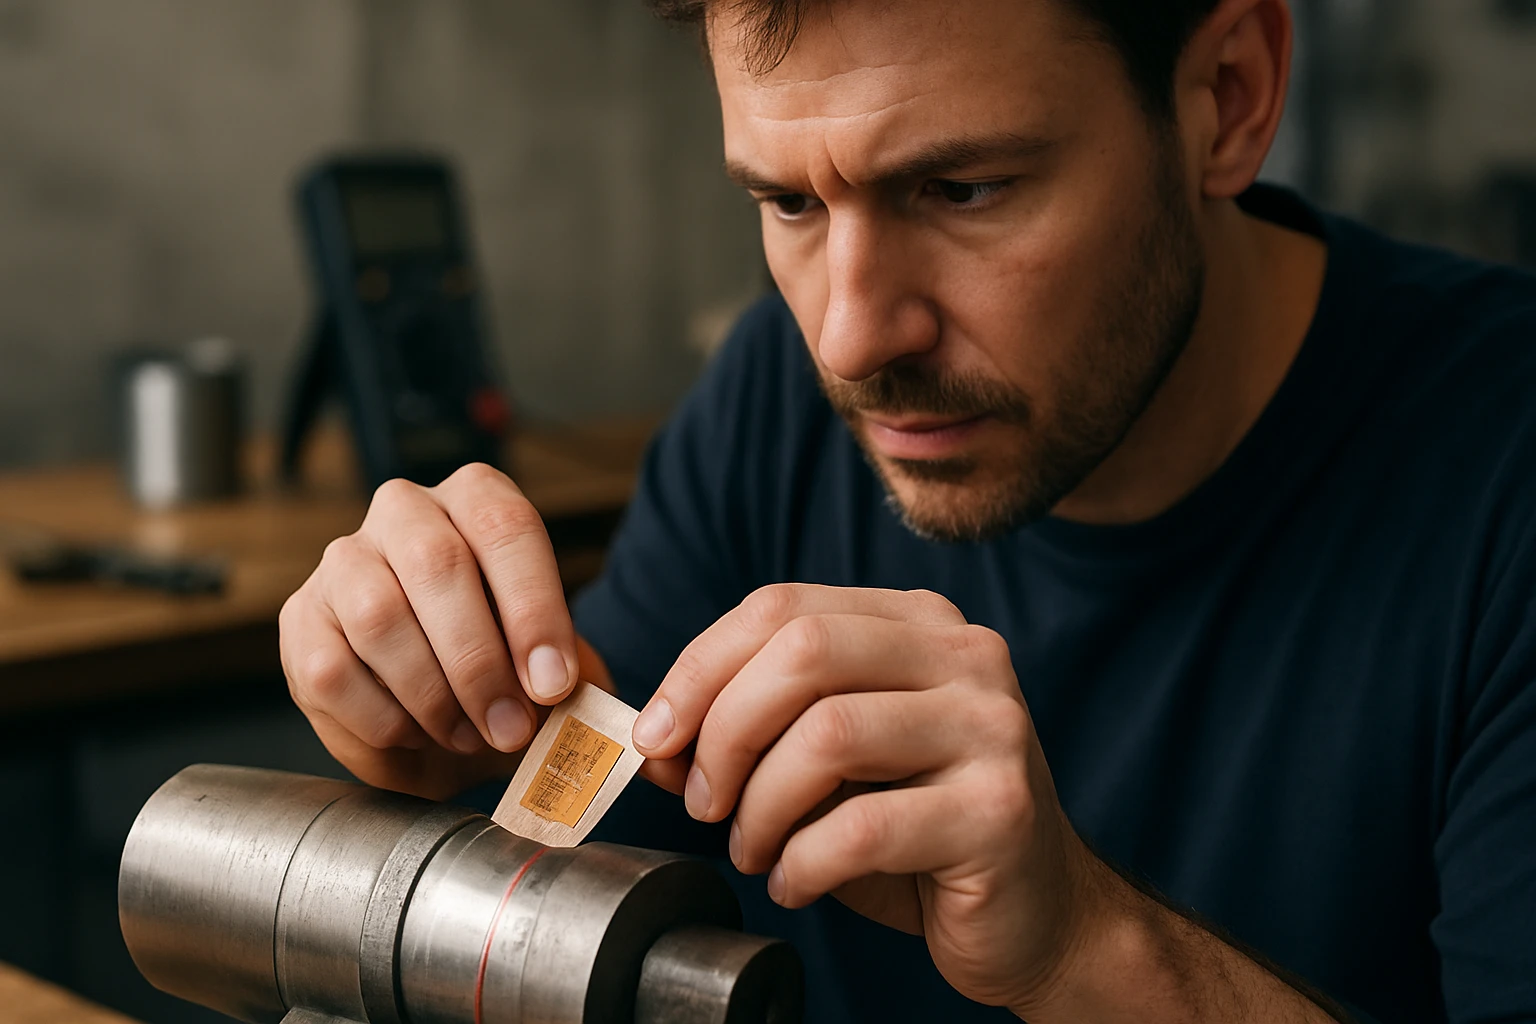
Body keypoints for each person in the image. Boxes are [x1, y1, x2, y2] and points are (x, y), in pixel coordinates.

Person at [277, 0, 1536, 1019]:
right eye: (789, 204)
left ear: (1228, 98)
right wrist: (435, 739)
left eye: (965, 190)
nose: (850, 332)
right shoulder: (775, 399)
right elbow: (578, 855)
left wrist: (1086, 952)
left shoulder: (1503, 479)